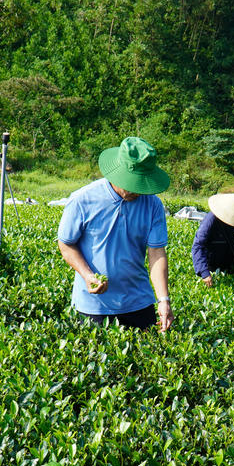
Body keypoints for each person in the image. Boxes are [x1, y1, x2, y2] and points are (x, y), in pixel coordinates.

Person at [57, 136, 174, 331]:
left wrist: (163, 299)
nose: (138, 190)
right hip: (94, 305)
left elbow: (156, 253)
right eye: (133, 183)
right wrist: (87, 275)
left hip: (139, 303)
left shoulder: (153, 205)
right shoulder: (82, 200)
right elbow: (66, 244)